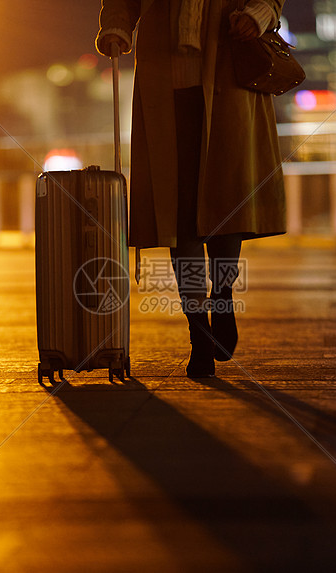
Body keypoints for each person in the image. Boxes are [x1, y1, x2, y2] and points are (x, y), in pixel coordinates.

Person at [96, 0, 287, 378]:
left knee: (225, 201)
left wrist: (259, 13)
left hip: (230, 78)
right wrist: (116, 25)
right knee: (178, 213)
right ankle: (199, 331)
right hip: (164, 84)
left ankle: (223, 297)